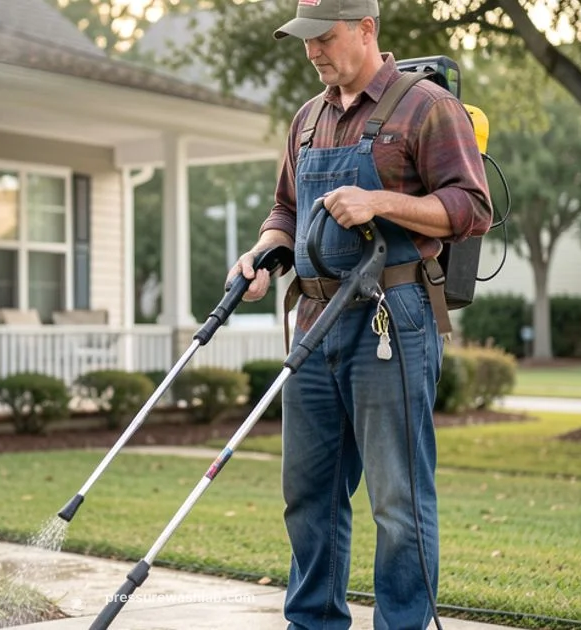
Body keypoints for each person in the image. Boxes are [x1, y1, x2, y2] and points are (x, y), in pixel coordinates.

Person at [225, 1, 493, 628]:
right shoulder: (307, 119)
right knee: (309, 494)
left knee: (397, 499)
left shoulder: (426, 107)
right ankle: (312, 620)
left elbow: (471, 206)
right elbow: (285, 209)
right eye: (304, 40)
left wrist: (379, 201)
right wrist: (265, 253)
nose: (313, 51)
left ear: (366, 29)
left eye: (325, 36)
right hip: (314, 322)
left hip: (391, 318)